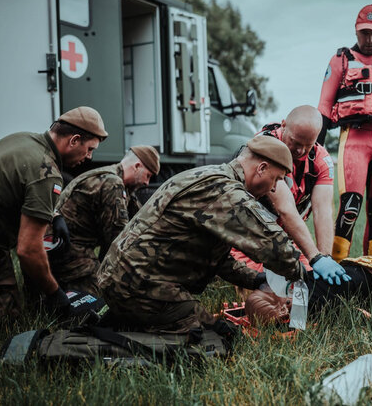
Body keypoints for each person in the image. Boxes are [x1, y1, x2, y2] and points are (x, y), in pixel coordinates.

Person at [97, 135, 315, 335]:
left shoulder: (209, 176)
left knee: (216, 328)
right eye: (275, 179)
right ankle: (115, 341)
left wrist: (254, 279)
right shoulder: (226, 191)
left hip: (126, 278)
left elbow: (215, 257)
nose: (274, 188)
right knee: (213, 340)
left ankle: (127, 321)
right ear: (262, 168)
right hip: (139, 286)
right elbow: (273, 244)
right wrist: (307, 276)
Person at [0, 106, 108, 320]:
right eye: (89, 149)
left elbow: (21, 185)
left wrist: (55, 215)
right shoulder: (46, 173)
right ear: (74, 140)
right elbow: (28, 251)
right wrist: (54, 292)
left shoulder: (22, 139)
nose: (89, 157)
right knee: (4, 324)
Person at [317, 4, 372, 261]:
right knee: (350, 208)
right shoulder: (340, 60)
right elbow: (324, 105)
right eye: (363, 33)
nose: (368, 39)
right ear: (356, 31)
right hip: (354, 139)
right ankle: (336, 269)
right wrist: (317, 147)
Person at [231, 105, 350, 286]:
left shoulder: (320, 159)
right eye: (295, 142)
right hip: (246, 237)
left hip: (281, 240)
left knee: (309, 280)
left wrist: (323, 257)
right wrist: (315, 257)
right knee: (269, 288)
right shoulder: (265, 147)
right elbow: (285, 208)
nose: (300, 151)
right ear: (283, 125)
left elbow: (323, 211)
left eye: (308, 145)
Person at [48, 145, 160, 295]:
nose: (147, 183)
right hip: (67, 247)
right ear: (137, 166)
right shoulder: (112, 182)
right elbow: (117, 239)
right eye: (148, 175)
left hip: (66, 245)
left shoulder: (119, 182)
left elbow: (141, 220)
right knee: (100, 296)